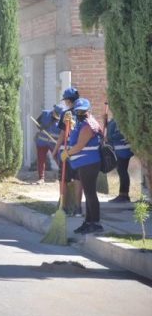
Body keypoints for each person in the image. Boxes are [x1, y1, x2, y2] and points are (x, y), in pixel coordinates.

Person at [62, 98, 103, 234]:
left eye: (82, 111)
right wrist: (69, 124)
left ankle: (95, 223)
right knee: (88, 193)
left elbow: (80, 145)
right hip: (84, 163)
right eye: (77, 111)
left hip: (89, 163)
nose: (79, 113)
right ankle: (88, 222)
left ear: (88, 110)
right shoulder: (82, 123)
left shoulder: (88, 125)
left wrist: (67, 153)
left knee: (90, 193)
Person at [53, 87, 82, 216]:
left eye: (65, 100)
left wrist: (54, 150)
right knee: (77, 179)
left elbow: (62, 134)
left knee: (63, 180)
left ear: (69, 101)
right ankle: (78, 209)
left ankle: (63, 208)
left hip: (67, 151)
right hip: (81, 152)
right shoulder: (84, 113)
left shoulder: (66, 114)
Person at [34, 104, 63, 183]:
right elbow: (37, 122)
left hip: (54, 143)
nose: (57, 117)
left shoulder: (62, 120)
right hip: (42, 141)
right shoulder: (45, 114)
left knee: (59, 159)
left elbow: (62, 133)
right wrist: (40, 126)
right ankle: (41, 178)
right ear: (53, 111)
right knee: (41, 159)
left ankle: (62, 177)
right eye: (56, 114)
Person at [107, 118, 134, 203]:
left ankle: (124, 195)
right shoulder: (114, 119)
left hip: (123, 148)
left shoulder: (121, 119)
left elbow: (120, 134)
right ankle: (122, 194)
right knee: (121, 171)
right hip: (118, 148)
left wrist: (110, 137)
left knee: (122, 171)